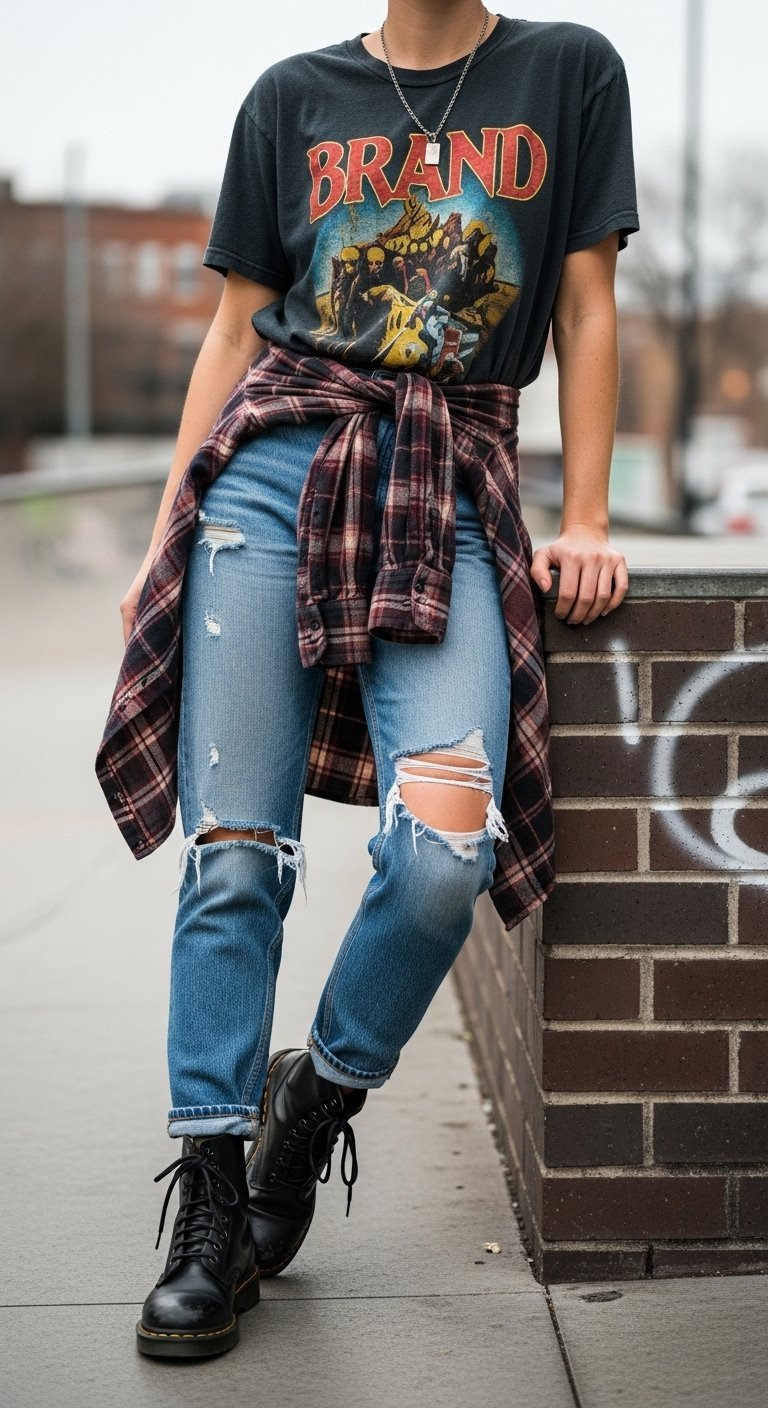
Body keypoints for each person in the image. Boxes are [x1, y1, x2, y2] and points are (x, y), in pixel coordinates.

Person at [95, 1, 638, 1360]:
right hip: (272, 472)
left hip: (449, 481)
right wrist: (172, 530)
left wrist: (587, 517)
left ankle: (311, 1111)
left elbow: (584, 301)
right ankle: (213, 1198)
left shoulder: (566, 71)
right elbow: (231, 334)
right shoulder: (293, 95)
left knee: (447, 849)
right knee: (234, 855)